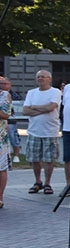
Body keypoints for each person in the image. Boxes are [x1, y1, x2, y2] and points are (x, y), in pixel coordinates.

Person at [22, 70, 61, 195]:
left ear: (49, 79)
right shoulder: (31, 93)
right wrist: (43, 109)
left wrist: (33, 107)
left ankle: (47, 183)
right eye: (38, 77)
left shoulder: (55, 92)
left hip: (50, 131)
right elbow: (25, 111)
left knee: (49, 160)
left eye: (43, 77)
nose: (40, 79)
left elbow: (51, 107)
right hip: (34, 131)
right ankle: (37, 181)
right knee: (35, 159)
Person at [0, 76, 10, 208]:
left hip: (0, 138)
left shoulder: (4, 95)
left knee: (1, 168)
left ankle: (0, 197)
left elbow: (5, 114)